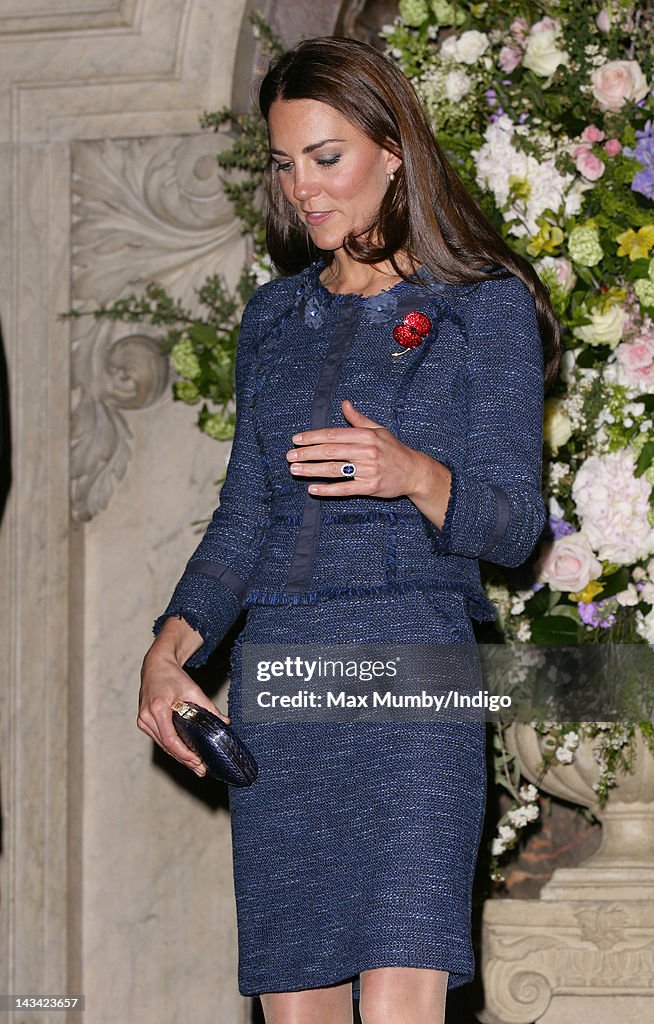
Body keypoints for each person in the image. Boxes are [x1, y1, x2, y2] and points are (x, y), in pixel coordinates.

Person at [138, 35, 559, 1024]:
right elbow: (246, 515)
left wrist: (411, 472)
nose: (305, 191)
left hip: (414, 673)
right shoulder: (274, 321)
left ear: (393, 150)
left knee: (403, 1001)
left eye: (326, 159)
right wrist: (171, 647)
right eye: (287, 167)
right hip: (282, 682)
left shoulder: (479, 309)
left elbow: (511, 523)